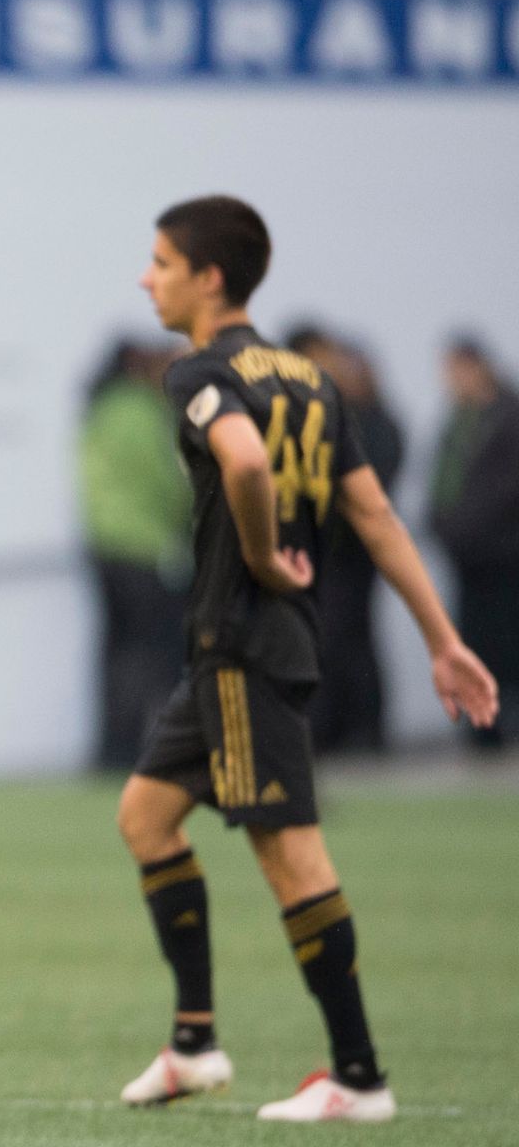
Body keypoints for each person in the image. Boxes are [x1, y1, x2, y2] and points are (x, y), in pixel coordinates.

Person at [118, 195, 498, 1122]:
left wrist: (254, 553)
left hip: (247, 647)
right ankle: (195, 1044)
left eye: (161, 261)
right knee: (146, 817)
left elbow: (245, 464)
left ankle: (360, 1077)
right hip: (237, 654)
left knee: (293, 859)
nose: (147, 276)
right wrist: (444, 642)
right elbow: (375, 518)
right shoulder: (310, 377)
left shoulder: (200, 370)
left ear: (209, 278)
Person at [286, 326, 404, 754]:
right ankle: (330, 730)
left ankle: (363, 731)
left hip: (351, 552)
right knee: (324, 642)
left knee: (350, 642)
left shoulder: (370, 422)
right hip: (323, 550)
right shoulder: (320, 416)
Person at [80, 339, 192, 768]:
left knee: (116, 653)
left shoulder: (99, 410)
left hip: (104, 547)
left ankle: (114, 748)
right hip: (147, 550)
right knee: (158, 656)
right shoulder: (145, 413)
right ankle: (164, 748)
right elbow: (168, 483)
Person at [430, 336, 519, 751]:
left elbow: (502, 490)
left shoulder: (507, 416)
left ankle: (503, 722)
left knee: (505, 640)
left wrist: (465, 525)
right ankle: (484, 727)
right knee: (473, 641)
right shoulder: (458, 421)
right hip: (468, 558)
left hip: (503, 555)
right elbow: (442, 482)